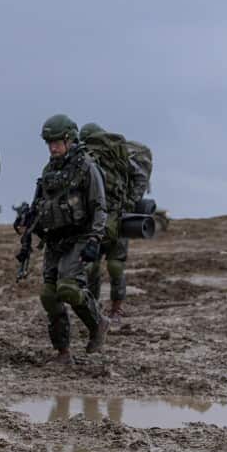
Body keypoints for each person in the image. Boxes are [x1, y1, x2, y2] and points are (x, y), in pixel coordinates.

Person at [23, 115, 108, 364]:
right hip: (54, 240)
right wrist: (30, 221)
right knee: (49, 295)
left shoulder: (87, 168)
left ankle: (98, 322)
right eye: (49, 142)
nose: (52, 147)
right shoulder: (49, 170)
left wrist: (94, 239)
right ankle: (63, 352)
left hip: (79, 237)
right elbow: (40, 201)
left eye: (57, 142)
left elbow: (99, 207)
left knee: (69, 288)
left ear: (70, 140)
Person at [79, 123, 151, 321]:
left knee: (115, 265)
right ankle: (93, 307)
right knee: (91, 265)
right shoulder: (85, 162)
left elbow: (139, 177)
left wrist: (129, 202)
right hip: (95, 221)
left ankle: (117, 308)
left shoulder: (116, 158)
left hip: (117, 218)